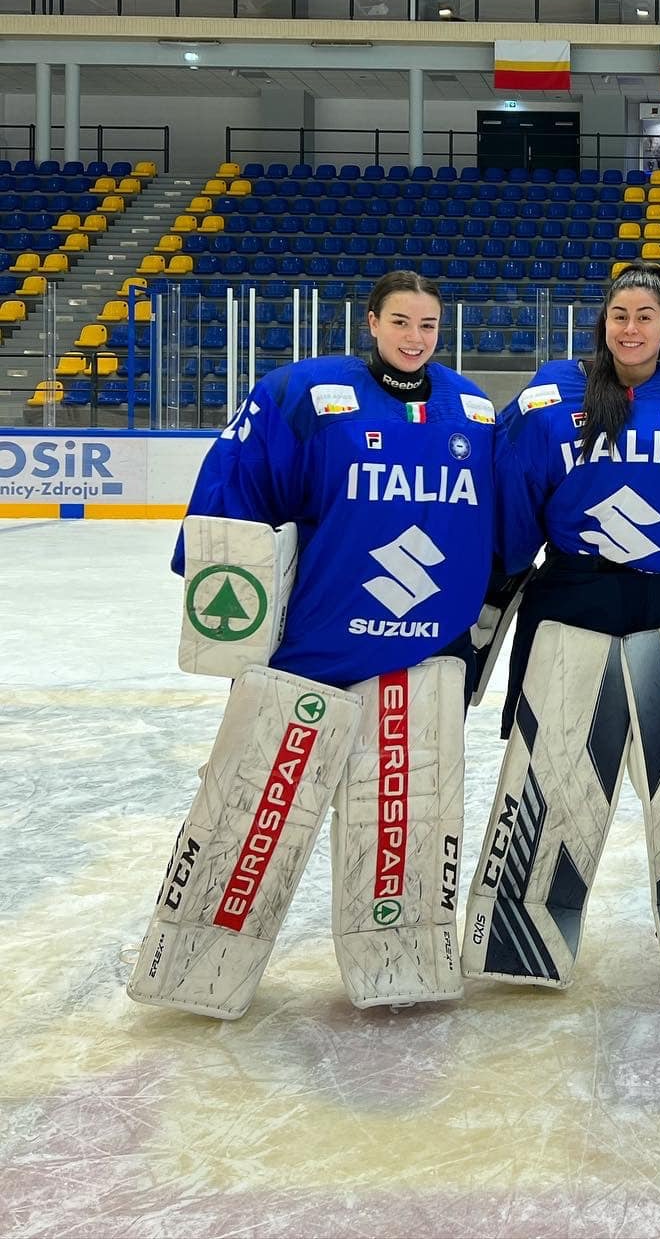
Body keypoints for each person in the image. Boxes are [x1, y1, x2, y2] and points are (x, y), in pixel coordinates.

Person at [128, 270, 498, 1019]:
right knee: (254, 821)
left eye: (427, 325)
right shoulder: (304, 395)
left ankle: (401, 959)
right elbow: (237, 502)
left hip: (416, 660)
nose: (414, 337)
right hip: (307, 659)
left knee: (399, 825)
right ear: (370, 322)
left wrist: (478, 634)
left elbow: (501, 527)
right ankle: (199, 961)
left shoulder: (472, 410)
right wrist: (230, 624)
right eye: (400, 321)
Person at [462, 261, 660, 988]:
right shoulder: (549, 397)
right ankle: (522, 927)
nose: (630, 327)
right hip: (575, 606)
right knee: (554, 776)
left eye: (645, 315)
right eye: (619, 314)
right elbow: (513, 501)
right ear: (603, 322)